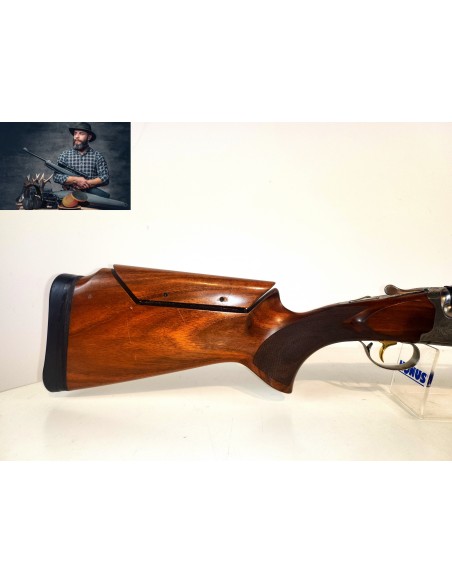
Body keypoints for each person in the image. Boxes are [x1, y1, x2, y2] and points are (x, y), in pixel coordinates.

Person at [53, 123, 109, 191]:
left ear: (89, 137)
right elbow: (56, 177)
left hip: (90, 196)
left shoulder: (97, 156)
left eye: (81, 134)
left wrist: (86, 183)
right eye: (75, 133)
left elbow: (105, 178)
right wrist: (76, 180)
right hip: (69, 195)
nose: (77, 136)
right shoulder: (64, 155)